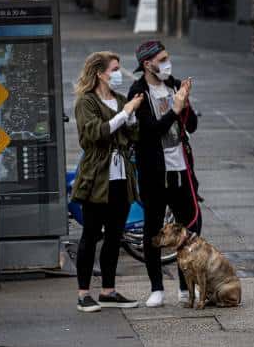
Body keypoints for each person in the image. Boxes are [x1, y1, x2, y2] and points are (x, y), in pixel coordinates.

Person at [126, 40, 200, 308]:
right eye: (163, 59)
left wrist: (185, 103)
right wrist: (175, 110)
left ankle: (184, 286)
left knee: (190, 226)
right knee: (154, 230)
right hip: (154, 172)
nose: (168, 63)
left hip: (181, 169)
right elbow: (150, 132)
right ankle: (156, 287)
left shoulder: (174, 85)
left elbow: (192, 124)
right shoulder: (138, 92)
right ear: (148, 64)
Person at [71, 51, 143, 312]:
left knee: (114, 236)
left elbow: (133, 135)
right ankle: (83, 294)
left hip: (120, 177)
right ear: (100, 73)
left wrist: (131, 117)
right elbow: (95, 134)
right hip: (96, 176)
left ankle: (108, 291)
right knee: (90, 234)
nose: (117, 74)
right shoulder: (86, 102)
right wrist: (125, 114)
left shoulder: (122, 100)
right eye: (114, 69)